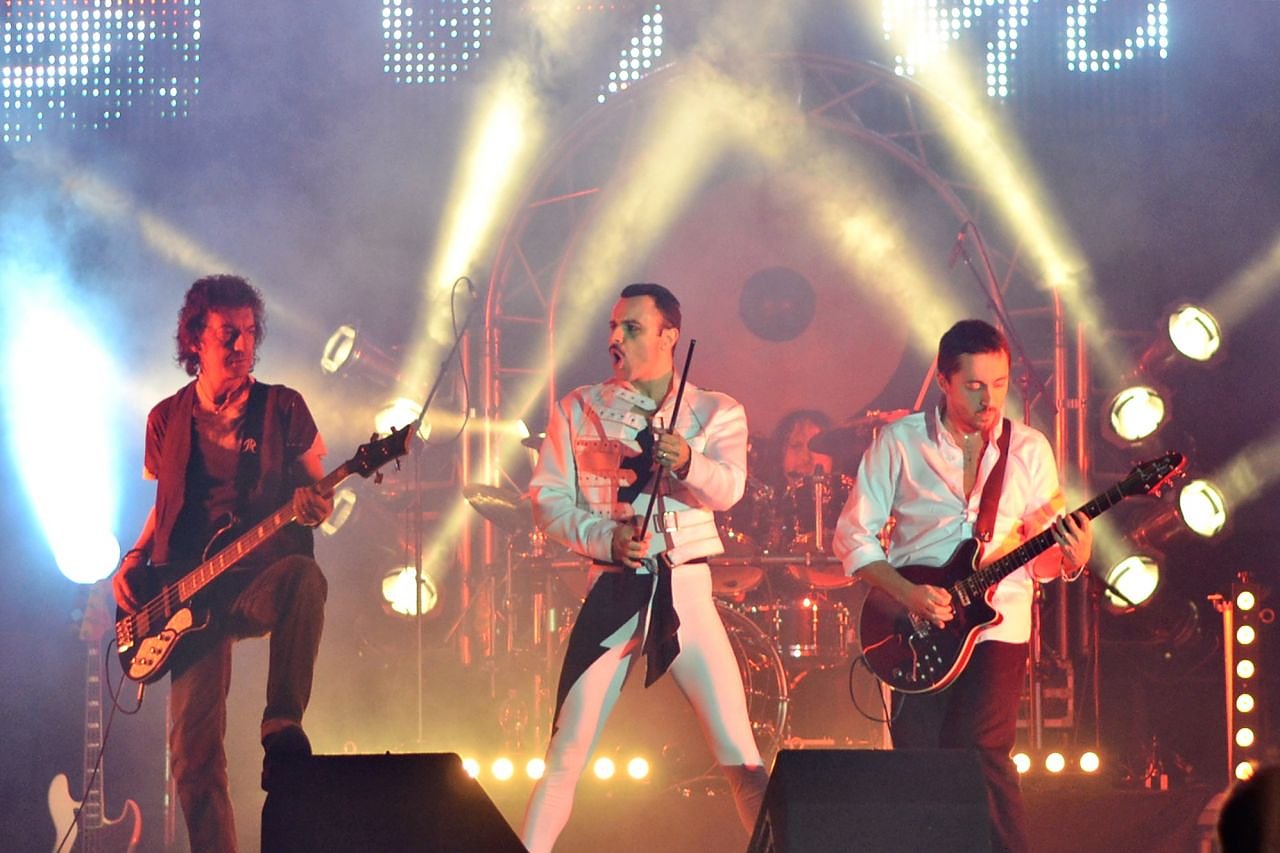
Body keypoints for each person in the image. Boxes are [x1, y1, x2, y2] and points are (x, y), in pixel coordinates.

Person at [521, 282, 769, 852]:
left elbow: (730, 489)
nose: (616, 337)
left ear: (668, 336)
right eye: (613, 326)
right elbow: (548, 499)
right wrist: (605, 539)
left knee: (741, 756)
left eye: (631, 327)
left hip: (686, 590)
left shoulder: (717, 410)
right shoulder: (578, 407)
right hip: (613, 588)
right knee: (564, 753)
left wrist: (690, 461)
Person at [833, 319, 1093, 853]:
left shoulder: (1029, 449)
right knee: (920, 757)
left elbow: (1041, 562)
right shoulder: (900, 442)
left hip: (999, 623)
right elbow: (853, 538)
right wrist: (908, 593)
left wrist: (1073, 557)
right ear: (944, 381)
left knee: (984, 750)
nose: (989, 399)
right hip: (914, 620)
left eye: (999, 384)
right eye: (974, 385)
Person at [112, 275, 333, 852]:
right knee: (192, 759)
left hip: (256, 575)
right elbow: (163, 505)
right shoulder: (165, 417)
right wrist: (133, 558)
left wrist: (315, 508)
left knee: (305, 578)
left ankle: (281, 723)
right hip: (186, 594)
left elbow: (319, 495)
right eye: (228, 333)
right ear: (195, 340)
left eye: (250, 332)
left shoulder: (284, 407)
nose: (242, 345)